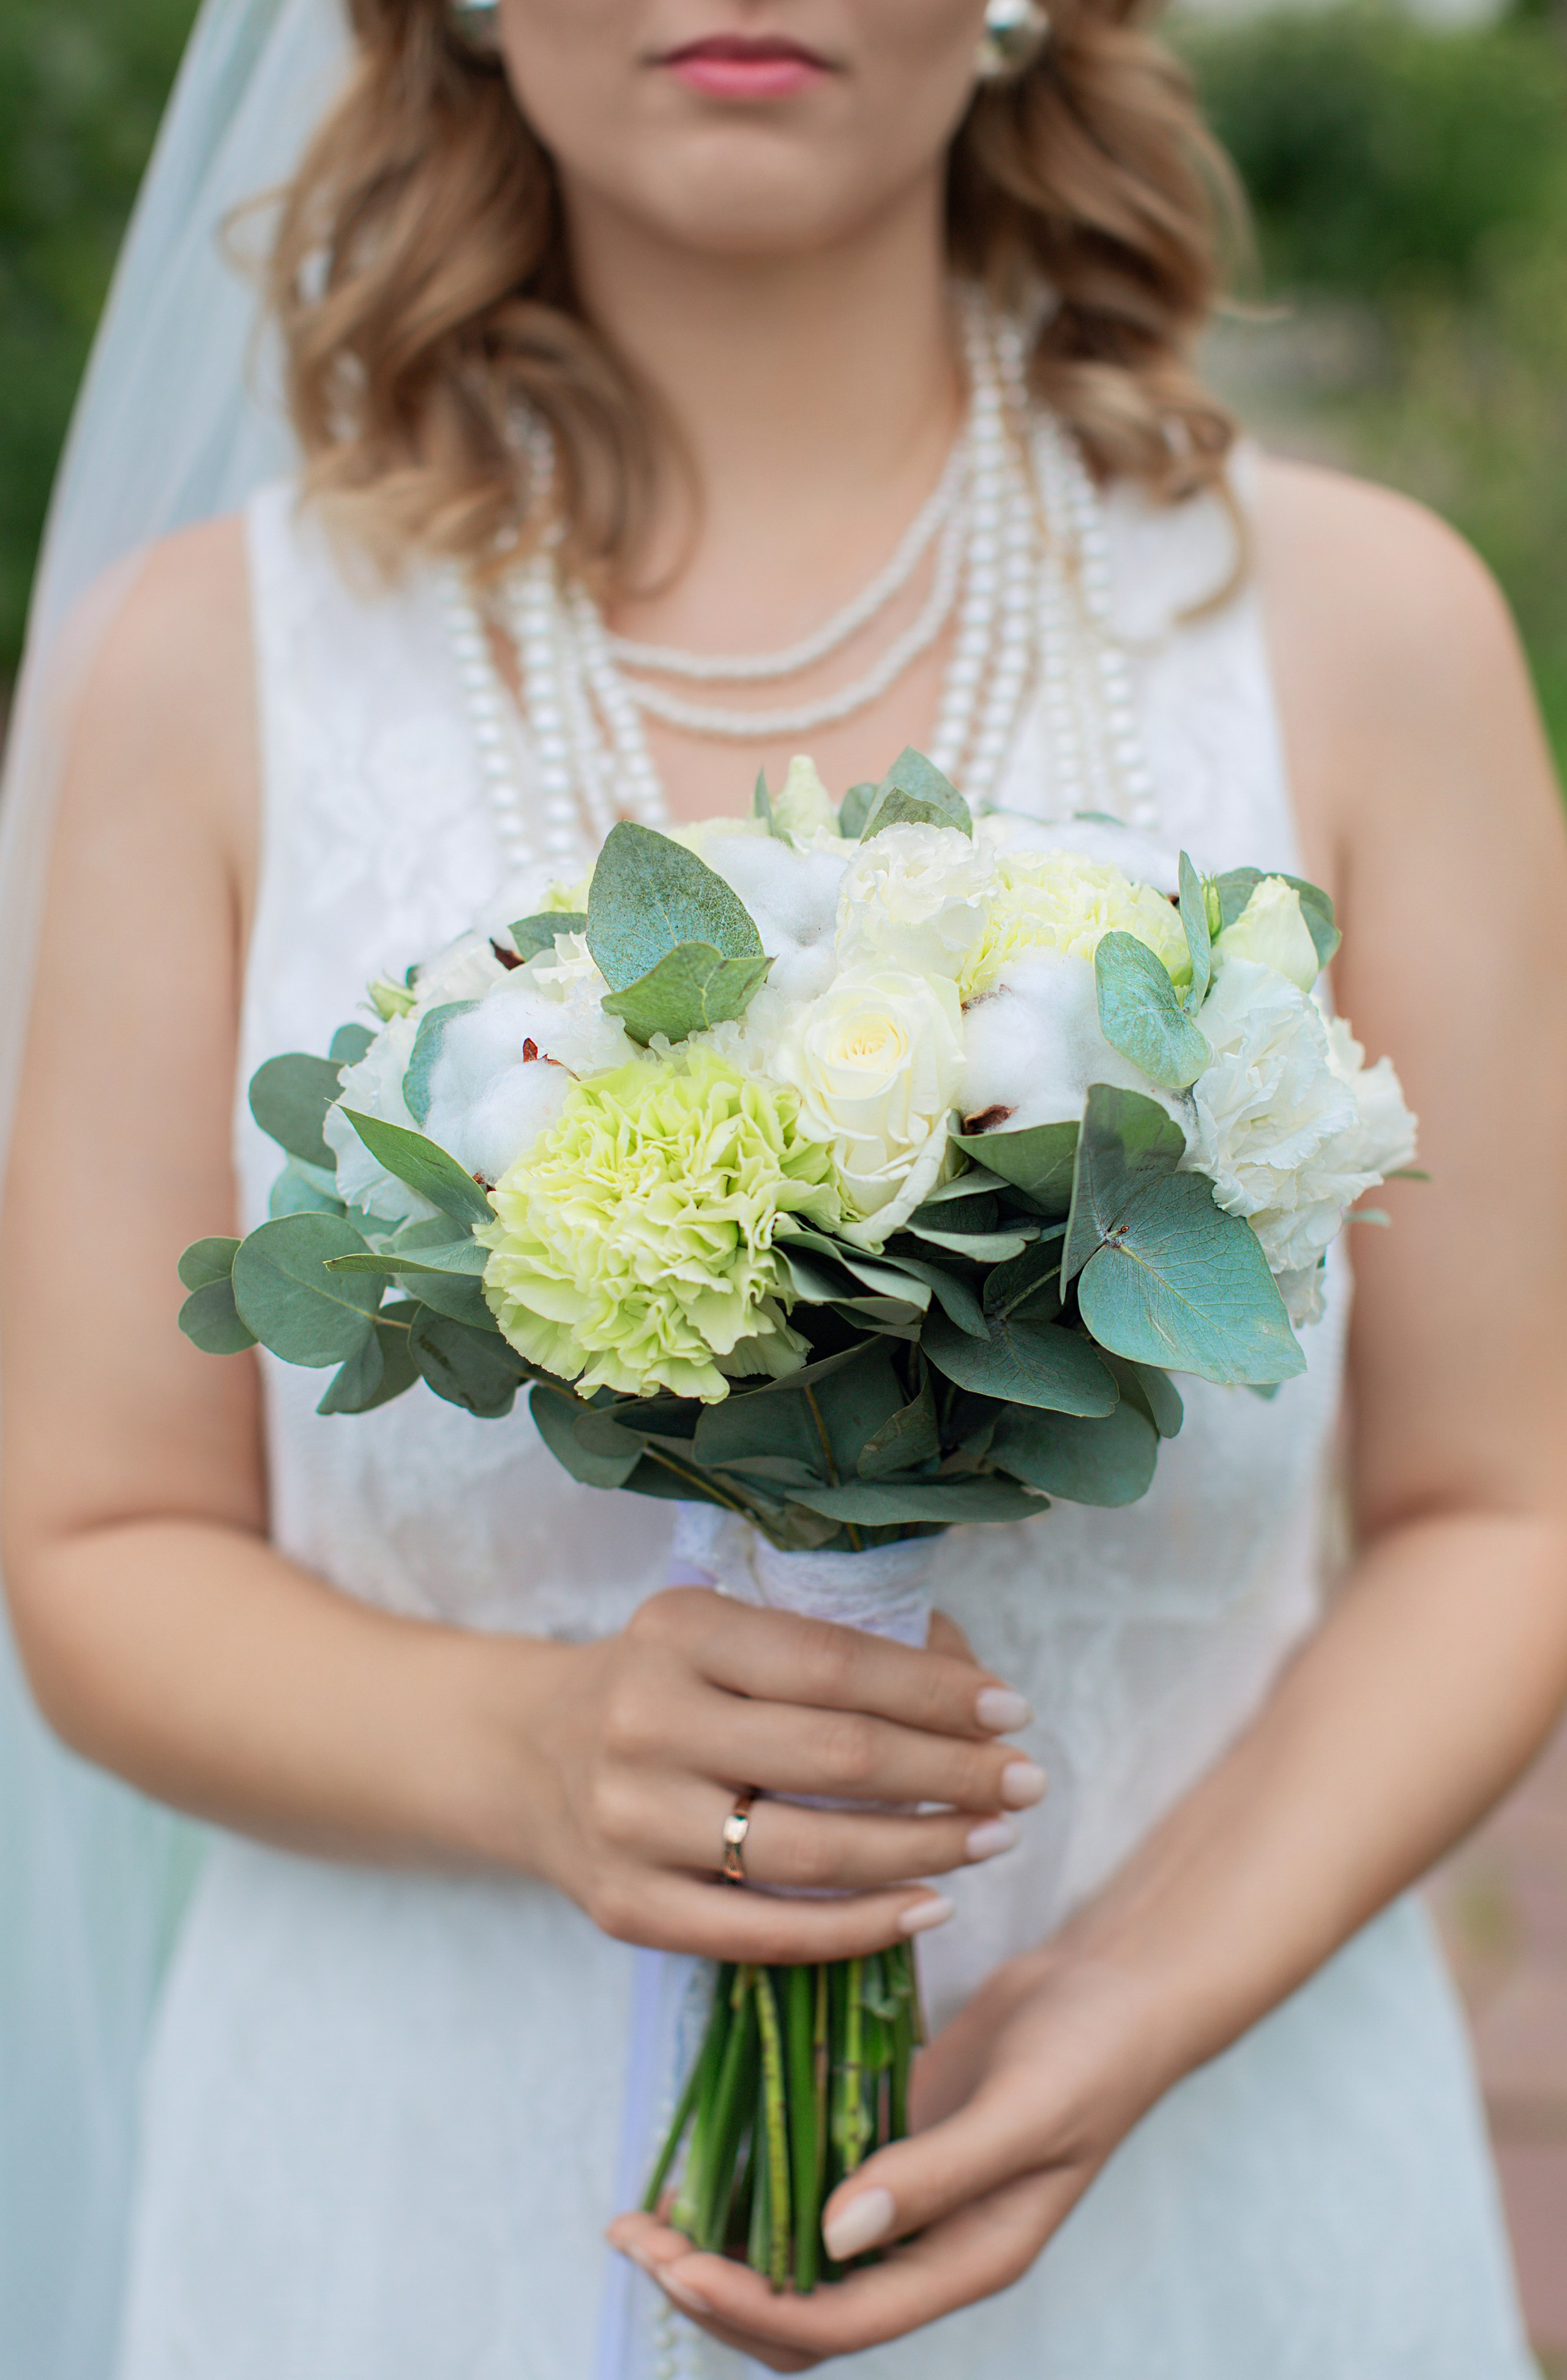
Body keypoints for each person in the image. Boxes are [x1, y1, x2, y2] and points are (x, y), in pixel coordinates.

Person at [2, 1, 1566, 2373]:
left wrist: (1130, 1999)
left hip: (1204, 2185)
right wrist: (527, 1755)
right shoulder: (197, 675)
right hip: (420, 2208)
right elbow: (98, 1548)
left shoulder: (1364, 636)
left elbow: (1508, 1508)